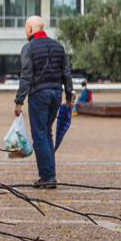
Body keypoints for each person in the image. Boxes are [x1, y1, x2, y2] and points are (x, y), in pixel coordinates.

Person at [14, 15, 75, 189]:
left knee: (40, 135)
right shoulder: (58, 47)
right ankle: (50, 174)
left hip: (39, 95)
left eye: (26, 28)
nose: (26, 31)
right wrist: (70, 97)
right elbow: (66, 73)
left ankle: (47, 177)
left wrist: (19, 101)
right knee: (47, 133)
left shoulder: (28, 48)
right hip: (56, 94)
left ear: (31, 29)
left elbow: (26, 75)